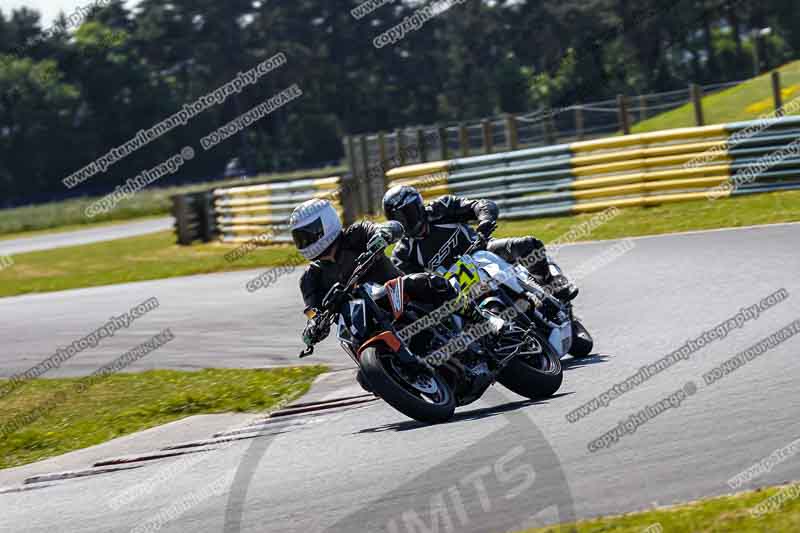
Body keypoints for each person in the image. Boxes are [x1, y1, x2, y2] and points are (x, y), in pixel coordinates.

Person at [289, 198, 456, 349]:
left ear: (326, 223)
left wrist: (384, 234)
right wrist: (313, 326)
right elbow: (313, 310)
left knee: (427, 282)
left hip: (398, 295)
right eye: (300, 238)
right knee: (363, 376)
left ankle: (468, 313)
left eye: (307, 235)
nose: (304, 243)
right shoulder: (309, 278)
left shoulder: (357, 234)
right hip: (361, 324)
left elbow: (386, 227)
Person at [382, 185, 578, 302]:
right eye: (398, 219)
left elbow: (481, 205)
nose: (406, 222)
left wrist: (484, 221)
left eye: (407, 214)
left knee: (528, 245)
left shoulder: (442, 208)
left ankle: (551, 285)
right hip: (456, 284)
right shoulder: (403, 253)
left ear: (418, 206)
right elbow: (410, 283)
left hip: (483, 249)